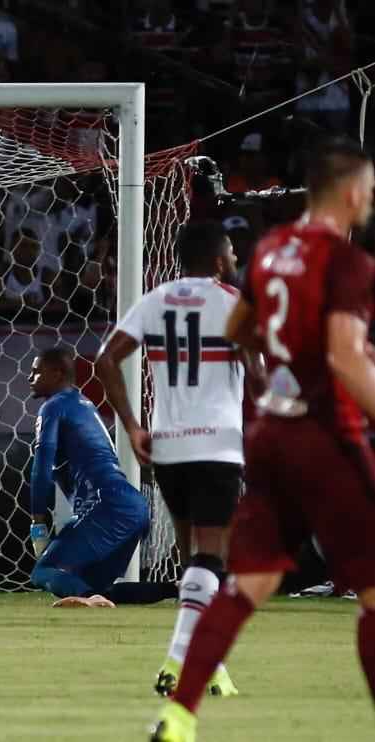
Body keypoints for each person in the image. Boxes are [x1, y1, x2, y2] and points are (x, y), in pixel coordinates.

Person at [149, 137, 375, 741]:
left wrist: (276, 373)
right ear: (353, 193)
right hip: (326, 435)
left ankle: (178, 714)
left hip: (271, 433)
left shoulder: (271, 250)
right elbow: (348, 361)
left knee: (246, 583)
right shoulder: (349, 263)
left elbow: (239, 329)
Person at [97, 221, 256, 699]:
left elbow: (105, 360)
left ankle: (214, 667)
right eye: (230, 253)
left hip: (167, 446)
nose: (233, 260)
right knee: (213, 559)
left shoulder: (155, 299)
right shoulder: (232, 302)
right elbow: (261, 373)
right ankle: (178, 661)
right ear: (216, 260)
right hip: (217, 446)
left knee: (193, 563)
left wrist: (132, 426)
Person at [27, 347, 173, 607]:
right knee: (100, 589)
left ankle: (86, 601)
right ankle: (177, 588)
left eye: (36, 372)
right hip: (133, 507)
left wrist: (37, 521)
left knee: (43, 572)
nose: (30, 377)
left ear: (57, 373)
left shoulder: (53, 407)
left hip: (105, 505)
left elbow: (42, 465)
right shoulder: (84, 405)